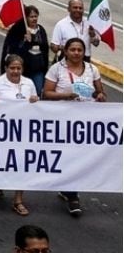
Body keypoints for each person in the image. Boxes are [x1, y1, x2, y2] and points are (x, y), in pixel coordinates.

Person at [42, 37, 105, 217]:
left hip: (86, 121)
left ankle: (67, 187)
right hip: (63, 120)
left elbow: (100, 91)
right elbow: (46, 93)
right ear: (66, 51)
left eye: (79, 50)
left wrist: (100, 95)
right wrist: (65, 95)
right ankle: (72, 195)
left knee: (80, 155)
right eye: (73, 50)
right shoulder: (56, 69)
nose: (76, 53)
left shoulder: (93, 69)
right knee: (69, 155)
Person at [0, 54, 39, 217]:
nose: (15, 71)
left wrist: (35, 101)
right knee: (3, 161)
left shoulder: (28, 83)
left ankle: (18, 200)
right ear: (6, 68)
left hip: (23, 132)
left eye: (18, 68)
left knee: (22, 164)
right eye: (12, 68)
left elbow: (36, 104)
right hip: (2, 132)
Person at [0, 6, 49, 94]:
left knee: (37, 91)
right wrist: (25, 42)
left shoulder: (40, 30)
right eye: (31, 17)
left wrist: (33, 39)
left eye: (35, 16)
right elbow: (13, 49)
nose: (34, 19)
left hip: (37, 69)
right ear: (26, 17)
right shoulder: (18, 30)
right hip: (21, 69)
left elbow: (45, 48)